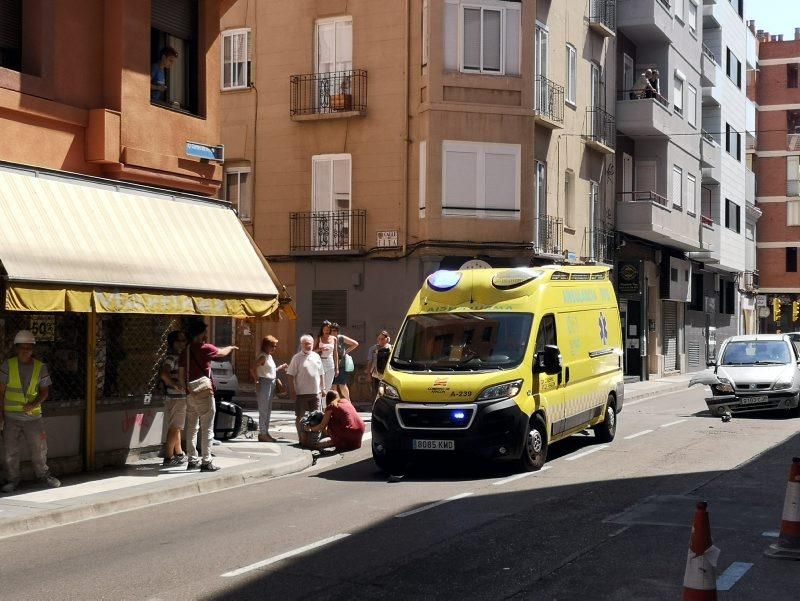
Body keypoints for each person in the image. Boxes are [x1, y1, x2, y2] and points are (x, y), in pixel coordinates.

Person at [0, 330, 61, 493]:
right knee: (10, 451)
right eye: (22, 347)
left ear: (33, 349)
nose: (26, 350)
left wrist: (33, 404)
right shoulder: (7, 365)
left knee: (39, 450)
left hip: (33, 418)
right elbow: (1, 392)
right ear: (16, 348)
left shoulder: (40, 367)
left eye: (29, 347)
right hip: (10, 417)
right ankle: (12, 479)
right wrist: (1, 416)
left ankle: (43, 475)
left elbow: (44, 392)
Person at [179, 321, 237, 472]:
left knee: (192, 427)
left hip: (190, 391)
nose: (206, 335)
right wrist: (230, 347)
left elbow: (180, 375)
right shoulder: (205, 348)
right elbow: (222, 353)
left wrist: (186, 388)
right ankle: (206, 461)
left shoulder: (186, 350)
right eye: (205, 332)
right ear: (200, 334)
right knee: (207, 428)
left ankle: (192, 460)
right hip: (204, 392)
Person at [286, 334, 325, 441]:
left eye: (310, 344)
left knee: (317, 417)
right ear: (301, 344)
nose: (308, 346)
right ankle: (301, 438)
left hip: (315, 393)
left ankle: (314, 438)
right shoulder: (296, 358)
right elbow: (290, 375)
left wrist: (323, 388)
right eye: (306, 344)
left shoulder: (316, 356)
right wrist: (292, 390)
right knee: (300, 417)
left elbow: (321, 373)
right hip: (301, 393)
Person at [250, 335, 287, 443]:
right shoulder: (263, 356)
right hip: (264, 383)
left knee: (268, 410)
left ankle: (265, 433)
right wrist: (257, 381)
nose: (274, 348)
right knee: (264, 410)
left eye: (275, 346)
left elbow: (269, 370)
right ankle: (262, 433)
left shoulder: (268, 356)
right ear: (266, 345)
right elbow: (252, 368)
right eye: (272, 346)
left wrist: (280, 368)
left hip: (270, 383)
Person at [159, 330, 188, 466]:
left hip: (175, 397)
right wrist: (175, 385)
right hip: (177, 397)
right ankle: (168, 457)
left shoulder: (176, 357)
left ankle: (179, 452)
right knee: (175, 427)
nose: (183, 343)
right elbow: (164, 374)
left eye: (184, 341)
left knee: (176, 426)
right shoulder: (173, 358)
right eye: (180, 341)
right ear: (173, 343)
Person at [330, 323, 359, 400]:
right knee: (333, 386)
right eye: (332, 330)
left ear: (338, 331)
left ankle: (348, 402)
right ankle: (335, 404)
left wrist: (346, 352)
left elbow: (355, 343)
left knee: (342, 385)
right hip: (331, 365)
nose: (333, 332)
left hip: (341, 365)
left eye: (335, 330)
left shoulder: (341, 338)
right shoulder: (328, 339)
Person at [315, 320, 339, 397]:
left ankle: (325, 407)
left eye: (328, 329)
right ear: (322, 329)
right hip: (320, 362)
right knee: (319, 386)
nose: (327, 331)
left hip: (330, 363)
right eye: (325, 329)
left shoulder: (334, 339)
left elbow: (335, 353)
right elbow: (312, 351)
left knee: (328, 386)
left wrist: (337, 368)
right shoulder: (319, 338)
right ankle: (319, 406)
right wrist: (320, 349)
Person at [366, 331, 392, 397]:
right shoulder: (373, 348)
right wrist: (368, 374)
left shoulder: (391, 348)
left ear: (387, 339)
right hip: (376, 374)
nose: (380, 340)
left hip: (387, 374)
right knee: (376, 392)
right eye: (379, 339)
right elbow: (370, 361)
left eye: (382, 339)